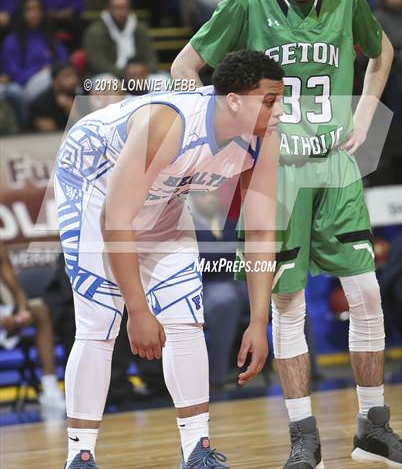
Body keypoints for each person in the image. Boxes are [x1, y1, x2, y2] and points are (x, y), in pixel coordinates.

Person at [171, 0, 402, 468]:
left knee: (367, 295)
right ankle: (303, 436)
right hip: (274, 174)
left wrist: (364, 116)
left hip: (334, 167)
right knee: (288, 305)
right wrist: (229, 137)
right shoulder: (244, 5)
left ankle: (373, 428)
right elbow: (185, 68)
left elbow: (379, 54)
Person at [54, 49, 284, 469]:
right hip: (94, 182)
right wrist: (138, 310)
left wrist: (258, 320)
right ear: (234, 100)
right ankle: (80, 455)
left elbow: (261, 230)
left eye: (281, 99)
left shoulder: (264, 135)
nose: (280, 110)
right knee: (100, 323)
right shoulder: (169, 124)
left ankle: (197, 451)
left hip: (163, 192)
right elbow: (115, 220)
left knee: (186, 317)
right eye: (270, 100)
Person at [189, 190, 250, 391]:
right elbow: (201, 263)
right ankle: (215, 378)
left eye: (215, 194)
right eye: (205, 195)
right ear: (193, 198)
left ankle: (309, 370)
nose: (211, 199)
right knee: (226, 300)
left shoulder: (233, 225)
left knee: (285, 296)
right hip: (206, 287)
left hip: (240, 282)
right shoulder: (187, 228)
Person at [0, 243, 65, 415]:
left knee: (41, 312)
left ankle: (49, 388)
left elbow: (17, 289)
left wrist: (22, 310)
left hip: (4, 312)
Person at [1, 0, 69, 108]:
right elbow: (14, 75)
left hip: (56, 85)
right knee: (48, 76)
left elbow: (65, 61)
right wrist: (39, 70)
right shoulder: (12, 41)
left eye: (38, 9)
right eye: (30, 10)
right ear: (22, 13)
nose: (34, 14)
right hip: (26, 88)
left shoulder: (49, 37)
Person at [83, 0, 157, 79]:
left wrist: (143, 72)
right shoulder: (95, 31)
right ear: (108, 9)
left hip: (140, 74)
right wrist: (125, 74)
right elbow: (97, 63)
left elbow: (151, 57)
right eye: (117, 8)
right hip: (108, 74)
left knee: (163, 80)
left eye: (124, 7)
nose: (121, 12)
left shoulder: (140, 29)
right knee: (108, 84)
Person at [29, 61, 80, 132]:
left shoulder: (80, 96)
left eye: (75, 75)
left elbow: (88, 128)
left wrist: (70, 110)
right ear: (55, 80)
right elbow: (51, 134)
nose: (74, 79)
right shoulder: (40, 103)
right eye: (67, 76)